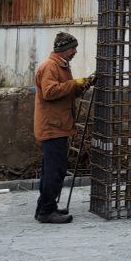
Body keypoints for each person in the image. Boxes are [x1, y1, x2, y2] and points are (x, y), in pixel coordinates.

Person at [33, 32, 95, 224]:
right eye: (73, 48)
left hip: (57, 126)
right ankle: (46, 212)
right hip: (52, 128)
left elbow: (66, 92)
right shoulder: (50, 66)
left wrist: (83, 84)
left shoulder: (61, 66)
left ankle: (44, 208)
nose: (75, 51)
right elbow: (50, 92)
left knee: (50, 170)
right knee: (55, 170)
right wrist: (72, 84)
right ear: (63, 49)